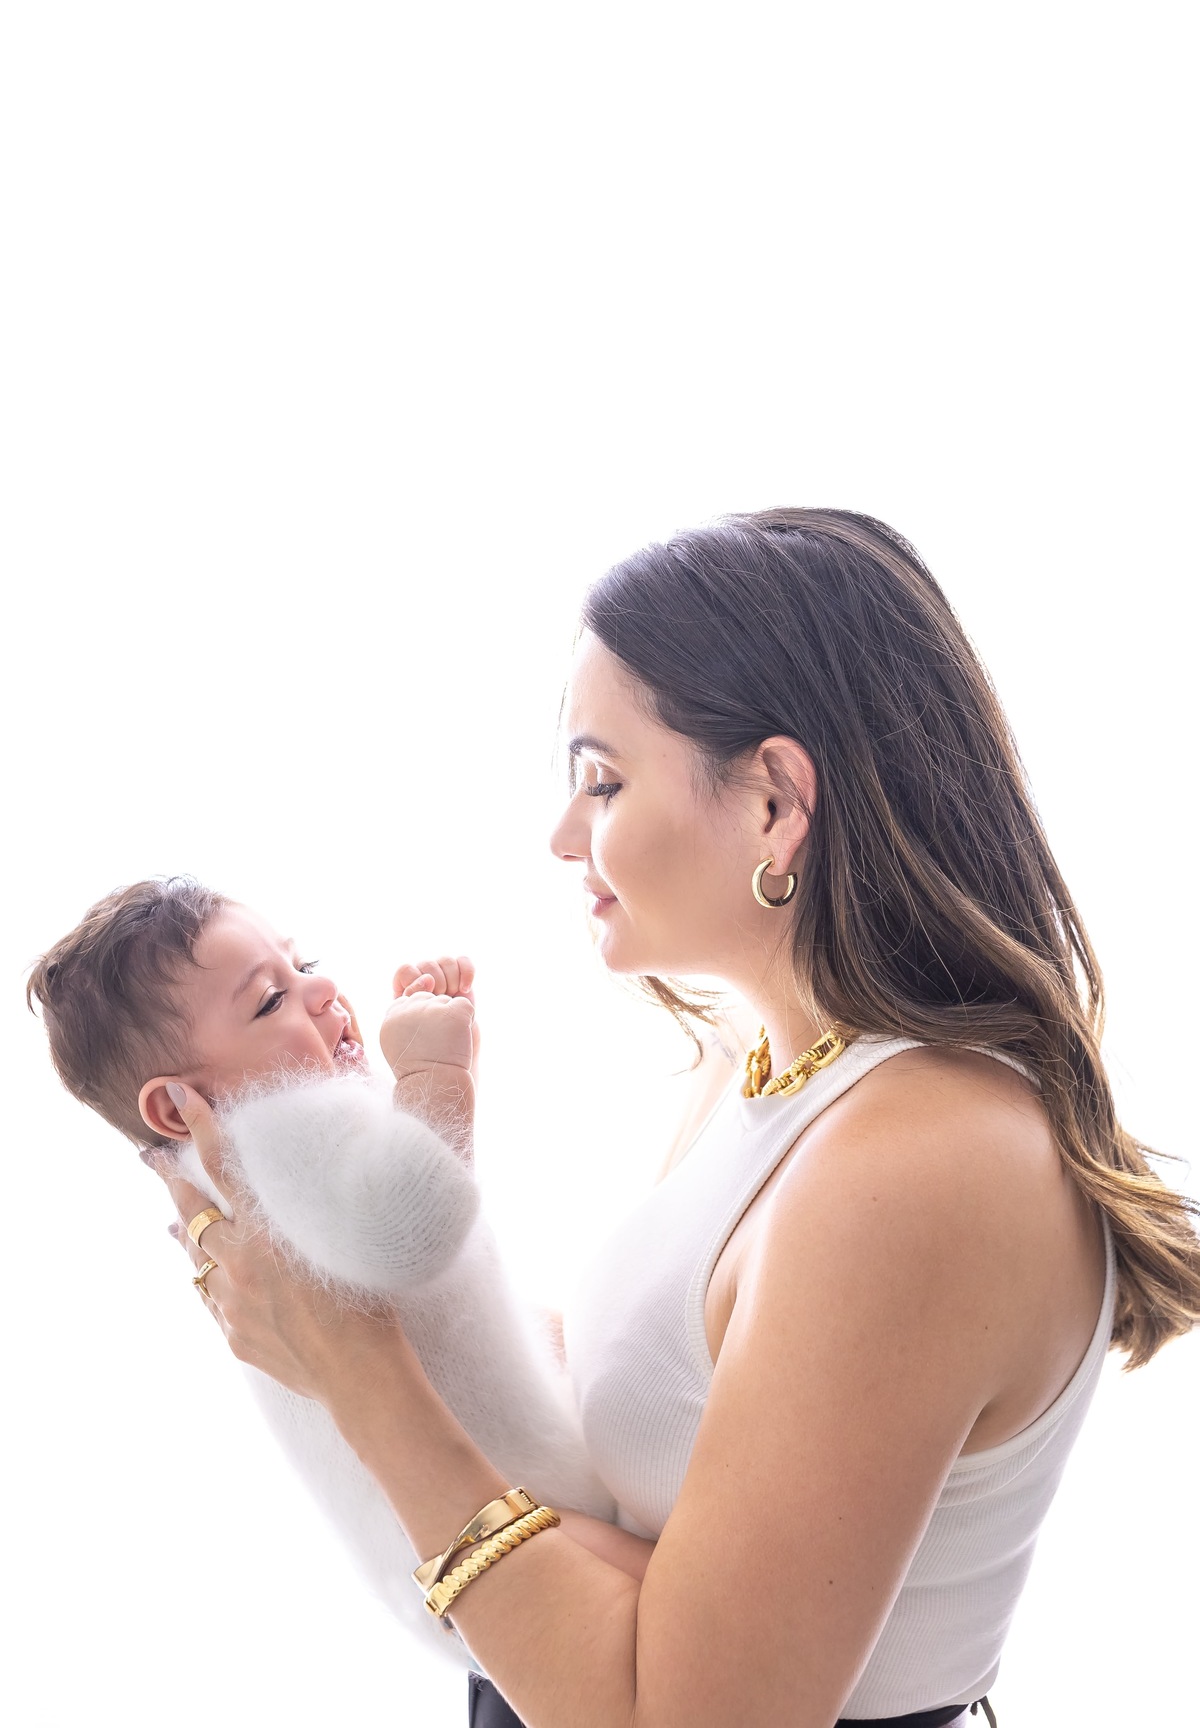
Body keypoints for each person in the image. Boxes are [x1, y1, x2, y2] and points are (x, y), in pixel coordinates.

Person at [144, 510, 1198, 1728]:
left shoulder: (924, 1163)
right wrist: (339, 1260)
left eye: (603, 780)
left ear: (772, 804)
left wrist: (355, 1372)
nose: (561, 835)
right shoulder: (767, 1063)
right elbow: (670, 1407)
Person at [26, 882, 616, 1666]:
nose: (322, 990)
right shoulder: (273, 1126)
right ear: (176, 1107)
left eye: (303, 964)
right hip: (515, 1521)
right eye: (272, 1002)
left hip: (467, 1544)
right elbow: (415, 1228)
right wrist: (438, 1074)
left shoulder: (237, 1171)